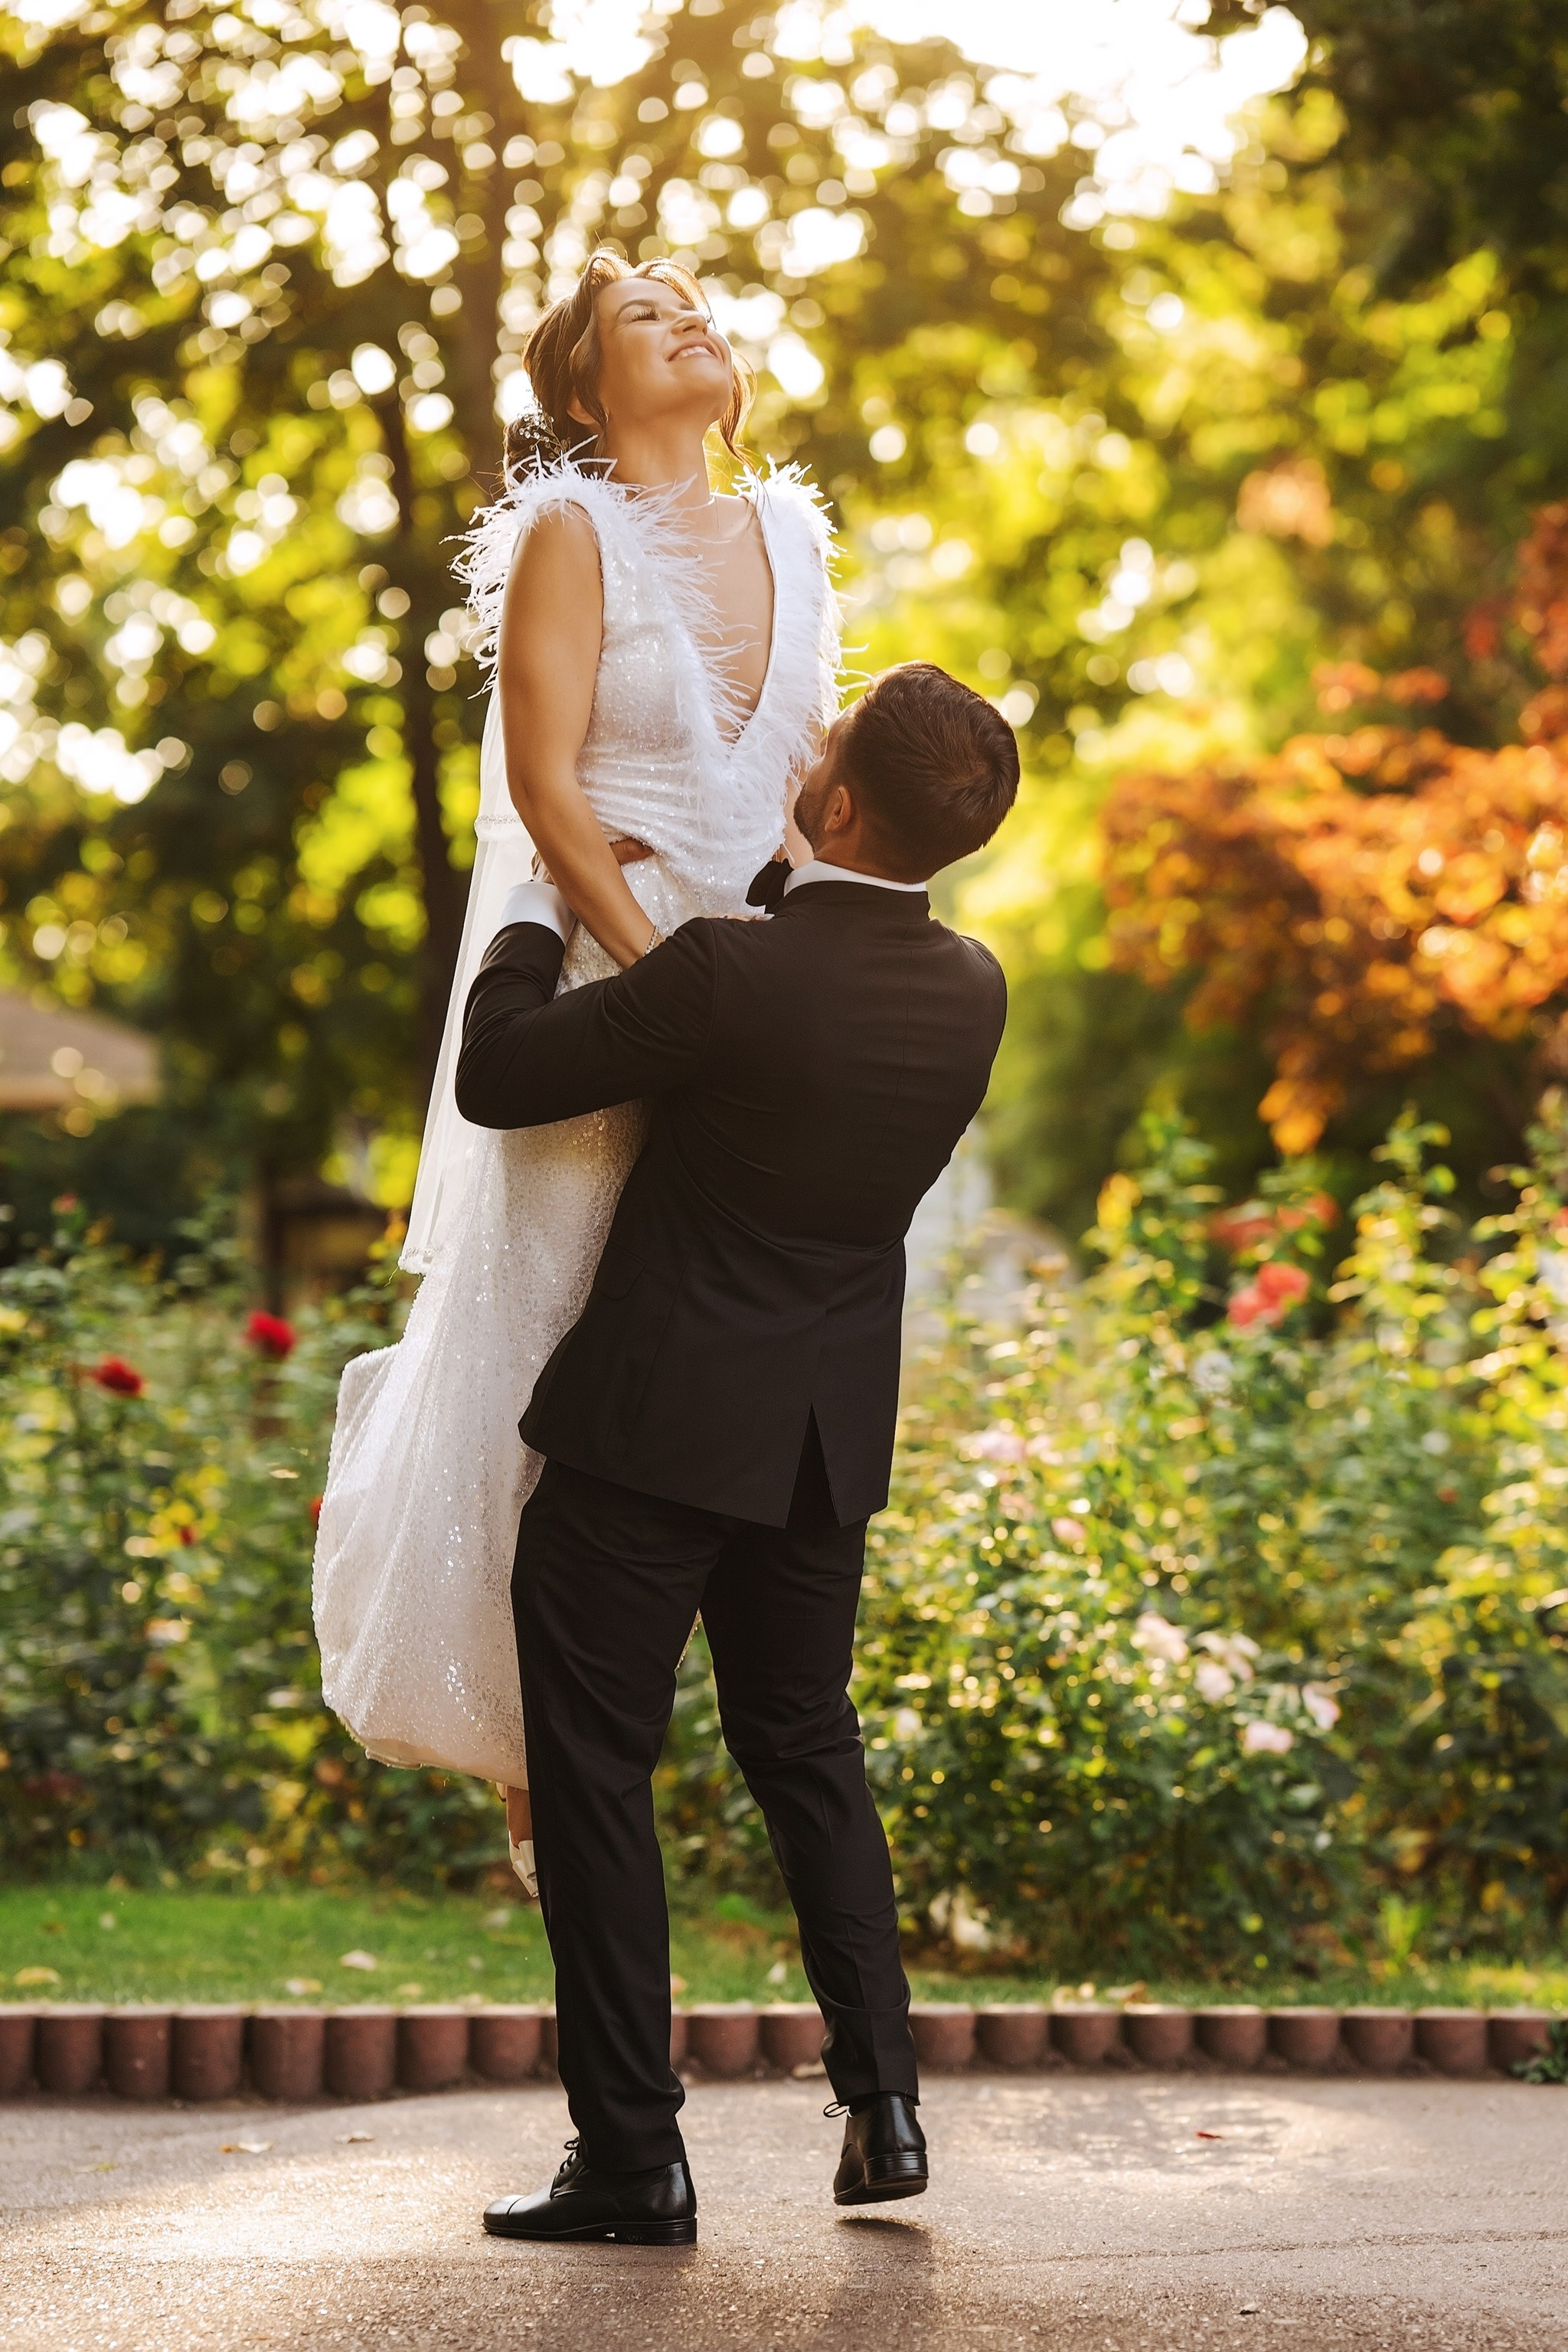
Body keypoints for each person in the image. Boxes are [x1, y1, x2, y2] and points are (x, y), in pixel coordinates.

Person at [458, 662, 1018, 2246]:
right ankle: (884, 2104)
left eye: (822, 748)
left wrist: (531, 907)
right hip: (816, 1449)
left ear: (834, 799)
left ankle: (633, 2157)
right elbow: (812, 933)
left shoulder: (725, 976)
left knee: (593, 1778)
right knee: (804, 1749)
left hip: (649, 1434)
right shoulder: (970, 988)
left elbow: (498, 1074)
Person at [311, 251, 838, 1889]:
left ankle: (707, 1737)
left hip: (759, 1011)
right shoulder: (566, 534)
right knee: (550, 1361)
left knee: (736, 1367)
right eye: (645, 316)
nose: (692, 320)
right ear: (582, 389)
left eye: (701, 306)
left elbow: (811, 798)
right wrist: (661, 977)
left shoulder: (799, 541)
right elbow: (546, 786)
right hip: (614, 996)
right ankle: (544, 1787)